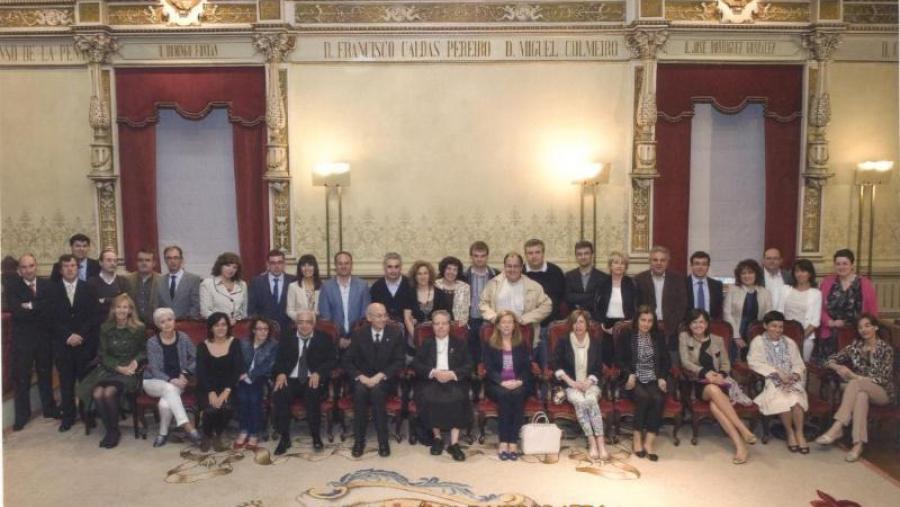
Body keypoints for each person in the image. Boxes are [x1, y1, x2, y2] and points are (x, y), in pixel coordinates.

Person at [679, 309, 757, 464]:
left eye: (701, 322)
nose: (698, 325)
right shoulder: (684, 337)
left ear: (707, 324)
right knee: (713, 390)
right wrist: (705, 373)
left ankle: (740, 446)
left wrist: (721, 374)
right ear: (689, 324)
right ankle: (743, 429)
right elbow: (685, 362)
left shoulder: (718, 340)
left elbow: (726, 363)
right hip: (699, 383)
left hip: (720, 381)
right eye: (694, 322)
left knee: (716, 406)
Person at [816, 314, 895, 462]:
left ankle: (837, 426)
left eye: (867, 326)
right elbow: (827, 360)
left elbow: (882, 378)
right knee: (861, 396)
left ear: (875, 327)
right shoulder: (855, 347)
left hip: (882, 392)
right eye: (860, 327)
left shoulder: (886, 349)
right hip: (861, 389)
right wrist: (837, 366)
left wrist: (854, 376)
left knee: (855, 383)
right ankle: (858, 445)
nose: (864, 330)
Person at [78, 294, 146, 448]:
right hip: (109, 368)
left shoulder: (139, 328)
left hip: (129, 370)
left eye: (125, 307)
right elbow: (103, 354)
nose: (121, 310)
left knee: (108, 392)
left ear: (130, 310)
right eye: (118, 307)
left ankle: (113, 431)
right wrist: (117, 367)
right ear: (113, 310)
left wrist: (135, 361)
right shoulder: (105, 327)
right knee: (97, 393)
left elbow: (144, 350)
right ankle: (110, 430)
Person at [343, 303, 405, 457]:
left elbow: (399, 361)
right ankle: (359, 441)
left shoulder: (395, 333)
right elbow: (347, 361)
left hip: (384, 379)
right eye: (379, 315)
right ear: (369, 317)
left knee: (377, 392)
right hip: (362, 378)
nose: (383, 318)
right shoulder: (358, 334)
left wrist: (379, 376)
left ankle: (383, 441)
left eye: (385, 315)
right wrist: (361, 377)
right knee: (359, 392)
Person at [272, 310, 337, 455]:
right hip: (291, 378)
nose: (304, 326)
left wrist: (319, 372)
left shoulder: (324, 338)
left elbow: (332, 359)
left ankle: (315, 436)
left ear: (314, 324)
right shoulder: (287, 337)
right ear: (296, 324)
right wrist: (281, 373)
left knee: (312, 396)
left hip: (312, 378)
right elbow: (278, 360)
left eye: (308, 322)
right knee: (280, 394)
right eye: (300, 322)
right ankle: (284, 437)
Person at [48, 254, 101, 432]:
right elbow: (51, 318)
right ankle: (68, 418)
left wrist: (79, 335)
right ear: (61, 269)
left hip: (84, 344)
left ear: (77, 268)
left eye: (73, 265)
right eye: (66, 266)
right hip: (63, 345)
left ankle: (87, 415)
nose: (70, 269)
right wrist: (67, 336)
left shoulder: (88, 288)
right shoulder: (52, 289)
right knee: (66, 383)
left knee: (85, 381)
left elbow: (93, 316)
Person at [411, 311, 472, 461]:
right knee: (430, 398)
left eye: (444, 323)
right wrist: (433, 372)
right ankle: (437, 438)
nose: (440, 327)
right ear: (433, 326)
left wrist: (452, 374)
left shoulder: (460, 343)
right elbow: (416, 364)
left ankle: (454, 443)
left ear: (449, 325)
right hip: (433, 379)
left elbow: (469, 365)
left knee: (458, 398)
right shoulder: (427, 343)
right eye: (437, 324)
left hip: (453, 378)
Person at [8, 254, 58, 430]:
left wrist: (30, 305)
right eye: (24, 267)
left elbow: (51, 308)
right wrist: (38, 306)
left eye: (31, 266)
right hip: (24, 341)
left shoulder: (47, 285)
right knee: (22, 378)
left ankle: (49, 408)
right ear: (19, 270)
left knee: (46, 375)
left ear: (36, 266)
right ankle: (22, 416)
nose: (28, 270)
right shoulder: (12, 287)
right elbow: (17, 312)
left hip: (44, 338)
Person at [747, 311, 809, 453]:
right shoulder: (758, 342)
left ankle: (800, 433)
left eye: (780, 327)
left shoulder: (789, 342)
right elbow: (754, 363)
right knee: (784, 399)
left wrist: (794, 375)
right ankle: (790, 433)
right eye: (773, 326)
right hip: (770, 381)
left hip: (792, 381)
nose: (777, 330)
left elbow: (798, 364)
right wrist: (777, 373)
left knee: (796, 399)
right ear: (765, 326)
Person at [552, 310, 609, 461]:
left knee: (590, 400)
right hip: (570, 384)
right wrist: (571, 382)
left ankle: (601, 443)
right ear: (571, 325)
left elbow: (598, 368)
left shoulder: (595, 342)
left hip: (591, 383)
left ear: (587, 324)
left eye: (581, 322)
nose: (578, 325)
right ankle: (592, 442)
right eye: (575, 322)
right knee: (580, 401)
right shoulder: (563, 341)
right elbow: (556, 365)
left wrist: (589, 381)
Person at [617, 305, 670, 461]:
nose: (646, 324)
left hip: (653, 376)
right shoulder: (626, 335)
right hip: (635, 377)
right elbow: (619, 359)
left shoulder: (658, 336)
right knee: (643, 397)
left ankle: (649, 442)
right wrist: (629, 374)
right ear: (637, 320)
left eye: (650, 321)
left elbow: (666, 360)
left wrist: (662, 377)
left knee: (658, 398)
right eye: (643, 320)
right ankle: (637, 438)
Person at [142, 307, 201, 447]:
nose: (167, 324)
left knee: (164, 403)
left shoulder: (183, 337)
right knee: (169, 388)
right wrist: (171, 379)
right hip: (153, 381)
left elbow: (197, 357)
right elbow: (155, 370)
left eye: (169, 319)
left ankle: (162, 434)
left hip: (178, 383)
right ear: (157, 325)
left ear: (174, 321)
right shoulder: (152, 342)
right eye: (162, 322)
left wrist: (185, 374)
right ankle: (187, 425)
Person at [484, 310, 532, 461]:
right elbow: (489, 368)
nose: (506, 325)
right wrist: (502, 382)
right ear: (497, 325)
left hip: (518, 382)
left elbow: (526, 367)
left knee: (517, 394)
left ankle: (513, 441)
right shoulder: (490, 344)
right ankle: (503, 441)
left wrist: (519, 381)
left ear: (514, 325)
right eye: (503, 322)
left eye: (509, 322)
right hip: (497, 383)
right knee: (505, 395)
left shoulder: (521, 343)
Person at [479, 252, 552, 348]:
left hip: (523, 332)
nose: (512, 269)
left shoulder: (533, 286)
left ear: (521, 267)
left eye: (516, 266)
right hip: (498, 333)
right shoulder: (493, 284)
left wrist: (525, 319)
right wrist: (494, 318)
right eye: (509, 266)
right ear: (504, 267)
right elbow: (483, 303)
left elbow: (547, 306)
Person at [195, 312, 245, 445]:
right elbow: (201, 372)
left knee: (226, 407)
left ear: (228, 326)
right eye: (217, 325)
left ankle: (218, 433)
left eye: (224, 325)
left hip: (229, 386)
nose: (221, 328)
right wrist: (210, 392)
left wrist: (226, 391)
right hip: (206, 387)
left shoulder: (235, 343)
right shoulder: (202, 346)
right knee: (211, 408)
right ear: (211, 328)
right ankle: (207, 434)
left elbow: (237, 370)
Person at [819, 249, 879, 359]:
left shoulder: (865, 284)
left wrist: (871, 334)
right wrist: (831, 322)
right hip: (831, 334)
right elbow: (819, 308)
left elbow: (873, 312)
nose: (841, 267)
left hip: (858, 335)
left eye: (845, 263)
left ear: (852, 265)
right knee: (830, 369)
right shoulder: (827, 282)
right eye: (838, 264)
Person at [235, 317, 278, 450]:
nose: (263, 332)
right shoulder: (243, 343)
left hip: (262, 378)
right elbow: (237, 360)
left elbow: (269, 366)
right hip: (242, 377)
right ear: (253, 330)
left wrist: (250, 375)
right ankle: (243, 430)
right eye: (260, 329)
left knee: (254, 399)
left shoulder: (273, 344)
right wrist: (242, 373)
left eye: (266, 329)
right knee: (242, 398)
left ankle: (253, 433)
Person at [523, 238, 566, 369]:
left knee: (549, 365)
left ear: (543, 253)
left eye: (537, 252)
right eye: (530, 253)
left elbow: (562, 300)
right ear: (525, 255)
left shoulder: (556, 272)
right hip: (526, 327)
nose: (534, 256)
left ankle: (547, 388)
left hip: (550, 327)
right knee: (527, 365)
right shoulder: (519, 272)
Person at [464, 241, 499, 394]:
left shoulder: (496, 275)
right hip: (470, 319)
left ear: (487, 256)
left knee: (489, 353)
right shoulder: (464, 275)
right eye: (476, 256)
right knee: (471, 353)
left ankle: (489, 385)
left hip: (489, 320)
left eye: (482, 256)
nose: (479, 259)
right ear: (471, 257)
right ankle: (473, 386)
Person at [634, 245, 688, 343]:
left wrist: (670, 326)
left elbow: (682, 305)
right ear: (650, 262)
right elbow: (636, 305)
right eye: (655, 260)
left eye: (663, 260)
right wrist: (646, 324)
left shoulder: (678, 280)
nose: (659, 263)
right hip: (645, 329)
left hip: (672, 331)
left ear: (667, 262)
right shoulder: (639, 279)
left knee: (670, 358)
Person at [596, 251, 640, 367]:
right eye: (616, 262)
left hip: (626, 326)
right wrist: (602, 325)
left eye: (622, 263)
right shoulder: (602, 283)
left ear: (626, 266)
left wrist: (629, 323)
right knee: (607, 360)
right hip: (607, 326)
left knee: (625, 360)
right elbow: (597, 305)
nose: (619, 266)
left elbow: (637, 306)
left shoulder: (632, 283)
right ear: (610, 265)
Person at [723, 259, 772, 361]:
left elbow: (769, 315)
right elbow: (727, 313)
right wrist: (736, 336)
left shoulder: (765, 292)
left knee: (755, 361)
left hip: (757, 333)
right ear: (739, 276)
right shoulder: (732, 290)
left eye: (750, 272)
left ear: (756, 274)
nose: (747, 276)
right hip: (736, 331)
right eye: (743, 273)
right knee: (735, 361)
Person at [777, 259, 822, 362]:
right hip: (782, 335)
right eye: (797, 271)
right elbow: (779, 313)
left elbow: (815, 321)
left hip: (805, 338)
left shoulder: (816, 293)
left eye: (803, 271)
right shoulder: (785, 289)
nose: (800, 274)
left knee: (800, 369)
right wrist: (782, 335)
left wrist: (799, 338)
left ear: (810, 274)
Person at [318, 251, 370, 338]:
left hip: (358, 339)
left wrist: (354, 338)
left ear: (351, 265)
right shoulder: (326, 287)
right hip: (333, 339)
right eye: (340, 263)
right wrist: (338, 339)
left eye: (347, 263)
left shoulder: (362, 286)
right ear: (335, 265)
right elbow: (325, 316)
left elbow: (364, 316)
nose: (343, 266)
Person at [247, 249, 296, 337]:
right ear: (267, 264)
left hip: (289, 332)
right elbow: (251, 309)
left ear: (284, 264)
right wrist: (260, 327)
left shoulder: (293, 281)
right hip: (264, 333)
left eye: (280, 262)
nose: (276, 266)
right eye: (273, 263)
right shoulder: (257, 282)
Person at [369, 252, 415, 329]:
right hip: (382, 327)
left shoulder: (410, 284)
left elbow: (414, 310)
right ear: (384, 268)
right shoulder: (376, 287)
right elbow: (375, 312)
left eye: (396, 267)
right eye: (389, 267)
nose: (393, 270)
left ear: (401, 268)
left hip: (407, 327)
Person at [407, 260, 453, 336]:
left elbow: (447, 317)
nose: (423, 277)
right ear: (415, 276)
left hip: (438, 333)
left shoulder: (440, 294)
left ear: (430, 275)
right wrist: (415, 337)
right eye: (419, 274)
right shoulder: (409, 293)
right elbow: (407, 319)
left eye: (425, 273)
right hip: (415, 333)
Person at [564, 240, 608, 320]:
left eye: (586, 253)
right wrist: (591, 296)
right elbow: (569, 298)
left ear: (592, 255)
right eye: (579, 254)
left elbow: (601, 301)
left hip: (596, 320)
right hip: (574, 320)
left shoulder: (603, 277)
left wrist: (578, 299)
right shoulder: (568, 276)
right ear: (576, 257)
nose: (583, 257)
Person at [156, 245, 202, 319]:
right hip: (165, 324)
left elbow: (196, 305)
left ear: (181, 260)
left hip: (187, 323)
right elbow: (157, 306)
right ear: (165, 260)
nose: (172, 261)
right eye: (169, 258)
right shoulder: (159, 281)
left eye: (176, 258)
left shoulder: (194, 280)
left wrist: (185, 319)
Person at [200, 252, 248, 322]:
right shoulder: (208, 284)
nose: (231, 269)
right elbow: (205, 311)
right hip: (216, 325)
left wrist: (237, 320)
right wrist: (225, 321)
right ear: (220, 266)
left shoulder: (242, 285)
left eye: (235, 267)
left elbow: (244, 311)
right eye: (228, 265)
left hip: (237, 325)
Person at [87, 248, 130, 323]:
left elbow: (126, 304)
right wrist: (116, 299)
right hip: (98, 324)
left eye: (115, 261)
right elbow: (92, 307)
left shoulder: (123, 281)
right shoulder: (91, 282)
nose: (113, 263)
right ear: (100, 262)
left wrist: (103, 300)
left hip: (120, 323)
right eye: (109, 260)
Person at [125, 248, 161, 328]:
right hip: (132, 326)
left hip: (156, 326)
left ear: (154, 263)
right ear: (136, 263)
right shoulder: (127, 280)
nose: (143, 263)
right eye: (140, 260)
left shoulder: (162, 281)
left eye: (147, 260)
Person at [686, 251, 724, 320]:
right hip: (688, 325)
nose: (700, 267)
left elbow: (719, 311)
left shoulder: (717, 285)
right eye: (697, 264)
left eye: (704, 264)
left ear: (708, 266)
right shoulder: (682, 284)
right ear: (691, 266)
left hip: (711, 325)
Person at [434, 256, 471, 324]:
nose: (451, 272)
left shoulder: (465, 287)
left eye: (455, 270)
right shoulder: (435, 285)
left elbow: (466, 311)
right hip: (438, 325)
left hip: (458, 325)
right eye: (449, 268)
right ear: (443, 269)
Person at [286, 254, 322, 320]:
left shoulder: (322, 287)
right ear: (300, 268)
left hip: (318, 324)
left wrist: (313, 316)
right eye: (303, 265)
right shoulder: (293, 286)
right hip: (299, 325)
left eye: (310, 265)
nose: (306, 268)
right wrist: (302, 318)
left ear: (315, 267)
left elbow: (324, 309)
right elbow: (289, 311)